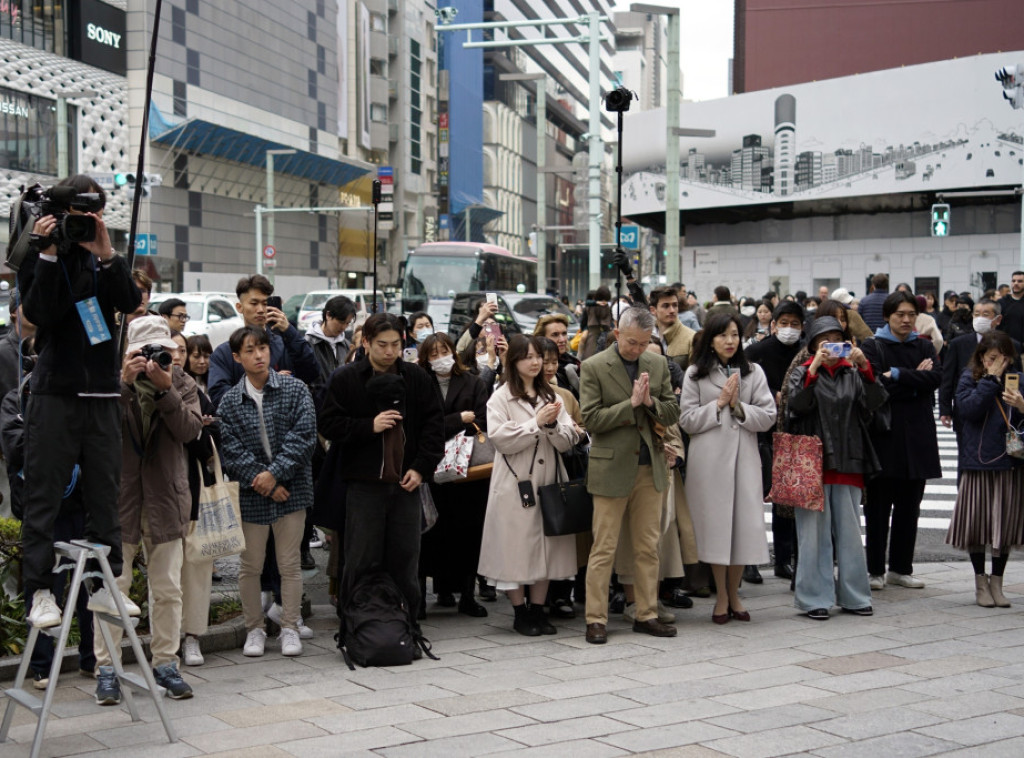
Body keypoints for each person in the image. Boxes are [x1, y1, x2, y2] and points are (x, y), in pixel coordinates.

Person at [14, 174, 142, 633]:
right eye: (80, 217)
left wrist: (107, 254)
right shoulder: (39, 252)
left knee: (106, 493)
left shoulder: (102, 257)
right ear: (60, 215)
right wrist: (48, 251)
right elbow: (38, 315)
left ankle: (106, 586)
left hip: (104, 392)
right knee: (44, 493)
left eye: (96, 216)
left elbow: (129, 302)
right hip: (55, 392)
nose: (88, 225)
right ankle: (41, 592)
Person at [94, 315, 202, 705]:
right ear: (128, 354)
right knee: (112, 590)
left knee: (168, 590)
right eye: (145, 352)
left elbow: (191, 432)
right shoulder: (110, 384)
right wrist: (123, 384)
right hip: (120, 499)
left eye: (163, 352)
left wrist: (165, 391)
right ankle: (106, 670)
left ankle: (166, 665)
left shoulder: (184, 384)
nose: (154, 359)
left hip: (166, 498)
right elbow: (96, 429)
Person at [319, 313, 444, 646]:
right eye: (382, 345)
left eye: (396, 345)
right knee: (359, 558)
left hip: (407, 483)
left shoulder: (416, 377)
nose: (390, 352)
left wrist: (421, 468)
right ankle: (354, 626)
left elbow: (435, 426)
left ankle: (407, 626)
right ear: (365, 343)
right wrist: (367, 426)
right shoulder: (346, 378)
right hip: (363, 484)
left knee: (406, 560)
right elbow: (329, 424)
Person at [580, 307, 680, 644]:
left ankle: (646, 613)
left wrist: (650, 403)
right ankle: (596, 619)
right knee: (603, 548)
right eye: (632, 342)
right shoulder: (593, 367)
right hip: (610, 466)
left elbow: (672, 411)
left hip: (649, 466)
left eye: (644, 343)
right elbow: (591, 419)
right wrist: (632, 405)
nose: (637, 349)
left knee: (648, 547)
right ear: (618, 334)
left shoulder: (658, 364)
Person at [218, 326, 317, 658]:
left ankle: (289, 626)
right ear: (237, 357)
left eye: (262, 348)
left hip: (291, 491)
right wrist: (262, 481)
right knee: (250, 565)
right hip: (252, 494)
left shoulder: (294, 388)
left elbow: (304, 438)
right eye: (249, 350)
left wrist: (274, 476)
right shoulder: (230, 401)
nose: (258, 355)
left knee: (289, 564)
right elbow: (231, 451)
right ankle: (254, 628)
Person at [783, 317, 886, 620]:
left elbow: (875, 404)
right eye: (823, 340)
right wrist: (812, 371)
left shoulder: (854, 372)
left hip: (849, 458)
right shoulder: (801, 372)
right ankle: (814, 598)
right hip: (811, 465)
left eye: (836, 339)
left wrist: (866, 368)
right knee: (812, 536)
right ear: (813, 345)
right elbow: (795, 408)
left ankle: (855, 596)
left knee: (851, 535)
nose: (831, 346)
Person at [478, 334, 579, 636]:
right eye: (528, 357)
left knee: (547, 548)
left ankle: (538, 610)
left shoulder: (552, 397)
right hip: (515, 482)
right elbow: (500, 439)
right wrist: (536, 423)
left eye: (539, 357)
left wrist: (551, 426)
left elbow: (569, 440)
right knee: (515, 547)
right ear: (514, 361)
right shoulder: (500, 396)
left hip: (548, 480)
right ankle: (519, 612)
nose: (535, 363)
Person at [680, 311, 777, 624]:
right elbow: (687, 420)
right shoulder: (695, 372)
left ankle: (735, 594)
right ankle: (721, 595)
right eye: (723, 335)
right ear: (711, 338)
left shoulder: (753, 372)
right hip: (709, 462)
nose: (730, 341)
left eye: (735, 334)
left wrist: (738, 406)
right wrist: (719, 403)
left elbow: (768, 415)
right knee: (718, 530)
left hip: (745, 459)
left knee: (743, 529)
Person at [861, 291, 942, 590]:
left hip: (918, 436)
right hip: (884, 436)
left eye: (911, 314)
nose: (906, 320)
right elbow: (874, 387)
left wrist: (895, 375)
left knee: (910, 506)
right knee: (878, 508)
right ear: (887, 316)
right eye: (900, 315)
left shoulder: (923, 344)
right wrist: (912, 381)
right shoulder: (873, 346)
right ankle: (874, 570)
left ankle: (901, 567)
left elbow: (937, 378)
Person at [946, 331, 1024, 608]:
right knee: (977, 524)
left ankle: (997, 583)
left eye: (1003, 358)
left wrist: (1022, 405)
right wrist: (990, 380)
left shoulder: (1018, 380)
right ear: (981, 357)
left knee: (1002, 524)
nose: (998, 363)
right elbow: (968, 410)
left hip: (1010, 461)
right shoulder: (971, 377)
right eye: (992, 358)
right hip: (978, 462)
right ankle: (980, 583)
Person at [416, 333, 490, 618]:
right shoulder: (421, 383)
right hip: (431, 470)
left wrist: (459, 424)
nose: (440, 358)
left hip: (467, 473)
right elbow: (421, 424)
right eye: (433, 354)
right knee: (427, 533)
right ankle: (419, 598)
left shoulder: (473, 382)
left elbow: (482, 421)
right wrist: (458, 419)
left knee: (468, 532)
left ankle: (467, 595)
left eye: (444, 351)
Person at [746, 301, 805, 581]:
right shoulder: (757, 351)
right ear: (774, 324)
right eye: (784, 323)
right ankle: (749, 562)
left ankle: (784, 559)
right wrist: (770, 394)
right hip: (760, 434)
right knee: (753, 497)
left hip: (793, 434)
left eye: (795, 324)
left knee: (787, 500)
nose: (789, 329)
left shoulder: (806, 352)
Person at [207, 275, 317, 407]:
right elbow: (219, 397)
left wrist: (289, 331)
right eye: (254, 303)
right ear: (239, 307)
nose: (260, 310)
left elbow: (312, 372)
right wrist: (265, 384)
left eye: (265, 304)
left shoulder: (285, 343)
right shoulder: (225, 352)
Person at [305, 294, 357, 404]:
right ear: (328, 315)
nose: (343, 327)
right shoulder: (309, 343)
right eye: (341, 322)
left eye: (347, 323)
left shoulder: (345, 345)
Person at [649, 286, 696, 370]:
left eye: (675, 305)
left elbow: (694, 377)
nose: (672, 310)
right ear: (653, 310)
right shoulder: (646, 336)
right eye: (666, 306)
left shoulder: (692, 338)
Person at [533, 313, 580, 398]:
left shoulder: (574, 363)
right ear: (541, 338)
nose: (562, 339)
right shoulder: (535, 368)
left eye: (564, 333)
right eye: (555, 335)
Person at [578, 286, 615, 360]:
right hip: (602, 330)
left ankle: (580, 358)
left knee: (590, 350)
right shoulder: (606, 306)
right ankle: (579, 357)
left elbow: (584, 320)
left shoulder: (591, 306)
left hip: (594, 330)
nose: (604, 301)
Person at [998, 271, 1024, 344]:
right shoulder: (1002, 302)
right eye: (1013, 281)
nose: (1016, 283)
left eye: (1020, 281)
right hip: (1004, 345)